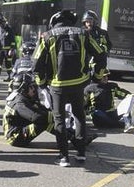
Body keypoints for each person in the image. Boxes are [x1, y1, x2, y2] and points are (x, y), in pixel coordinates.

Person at [34, 9, 106, 167]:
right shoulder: (83, 33)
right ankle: (81, 154)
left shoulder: (47, 36)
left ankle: (64, 157)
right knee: (79, 115)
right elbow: (101, 54)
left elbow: (36, 62)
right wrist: (98, 75)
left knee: (59, 119)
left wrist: (41, 83)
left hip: (57, 85)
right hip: (79, 83)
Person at [2, 72, 55, 147]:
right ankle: (68, 137)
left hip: (19, 128)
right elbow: (36, 117)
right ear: (24, 88)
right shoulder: (19, 103)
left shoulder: (20, 97)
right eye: (31, 87)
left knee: (45, 115)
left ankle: (67, 136)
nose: (34, 89)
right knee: (43, 121)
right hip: (15, 137)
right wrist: (56, 116)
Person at [0, 13, 17, 82]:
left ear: (3, 22)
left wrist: (11, 49)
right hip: (0, 50)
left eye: (0, 23)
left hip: (7, 50)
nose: (0, 24)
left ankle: (10, 77)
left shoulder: (9, 29)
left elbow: (13, 40)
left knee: (8, 64)